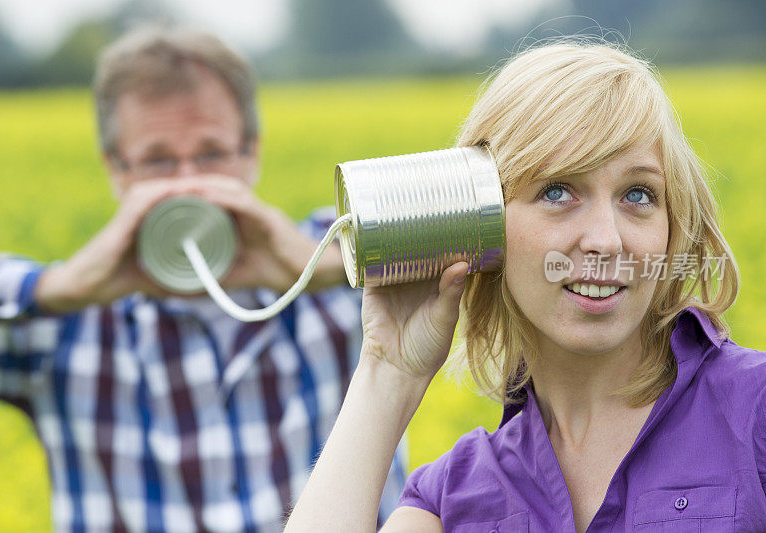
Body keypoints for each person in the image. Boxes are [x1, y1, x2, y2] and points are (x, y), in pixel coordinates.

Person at [285, 39, 766, 532]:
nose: (605, 241)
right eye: (557, 191)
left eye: (638, 194)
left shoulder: (755, 410)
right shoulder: (453, 498)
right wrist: (387, 372)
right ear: (481, 222)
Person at [0, 28, 406, 532]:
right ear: (115, 169)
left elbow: (487, 226)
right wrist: (57, 288)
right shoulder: (65, 323)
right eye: (157, 160)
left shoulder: (346, 267)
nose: (187, 184)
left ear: (251, 153)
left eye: (213, 154)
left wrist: (318, 268)